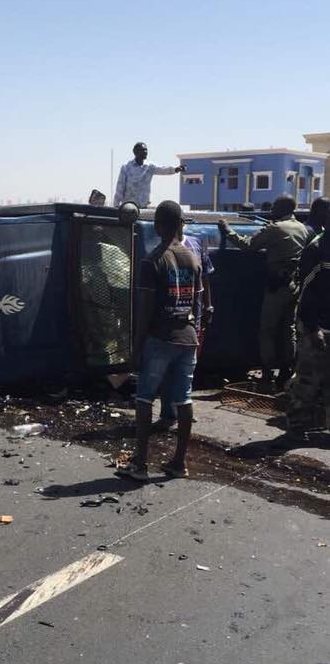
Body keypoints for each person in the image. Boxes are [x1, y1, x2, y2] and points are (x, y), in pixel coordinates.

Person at [118, 200, 202, 481]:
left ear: (157, 226)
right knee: (184, 400)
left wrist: (136, 347)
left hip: (159, 338)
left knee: (144, 398)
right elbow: (198, 304)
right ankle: (179, 463)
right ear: (181, 224)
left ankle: (140, 464)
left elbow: (145, 309)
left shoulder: (152, 260)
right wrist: (197, 335)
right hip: (187, 338)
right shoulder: (192, 258)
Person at [218, 195, 308, 390]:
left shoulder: (275, 229)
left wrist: (228, 230)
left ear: (281, 208)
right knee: (288, 330)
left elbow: (247, 245)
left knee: (267, 331)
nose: (271, 209)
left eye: (274, 206)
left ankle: (267, 374)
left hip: (276, 287)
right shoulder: (301, 228)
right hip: (293, 286)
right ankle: (286, 371)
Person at [157, 224, 214, 430]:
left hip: (193, 315)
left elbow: (206, 276)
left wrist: (208, 305)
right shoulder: (161, 249)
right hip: (170, 318)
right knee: (168, 367)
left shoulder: (196, 244)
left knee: (187, 366)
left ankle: (182, 410)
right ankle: (168, 413)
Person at [286, 208, 330, 441]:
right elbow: (305, 293)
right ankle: (296, 427)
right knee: (307, 380)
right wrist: (313, 328)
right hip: (317, 326)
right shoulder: (317, 248)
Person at [114, 143, 185, 209]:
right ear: (135, 152)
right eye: (143, 150)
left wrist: (175, 169)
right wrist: (116, 205)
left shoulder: (149, 166)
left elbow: (162, 169)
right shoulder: (126, 167)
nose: (145, 152)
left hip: (143, 206)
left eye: (146, 150)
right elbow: (120, 187)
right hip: (128, 207)